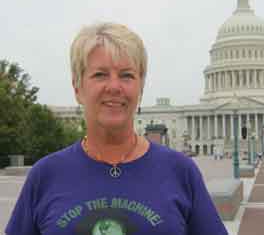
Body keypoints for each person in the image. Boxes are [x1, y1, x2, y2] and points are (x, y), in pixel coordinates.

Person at [5, 22, 228, 235]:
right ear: (78, 88)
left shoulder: (181, 172)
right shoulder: (45, 175)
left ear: (140, 88)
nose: (114, 87)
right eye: (100, 74)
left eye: (126, 75)